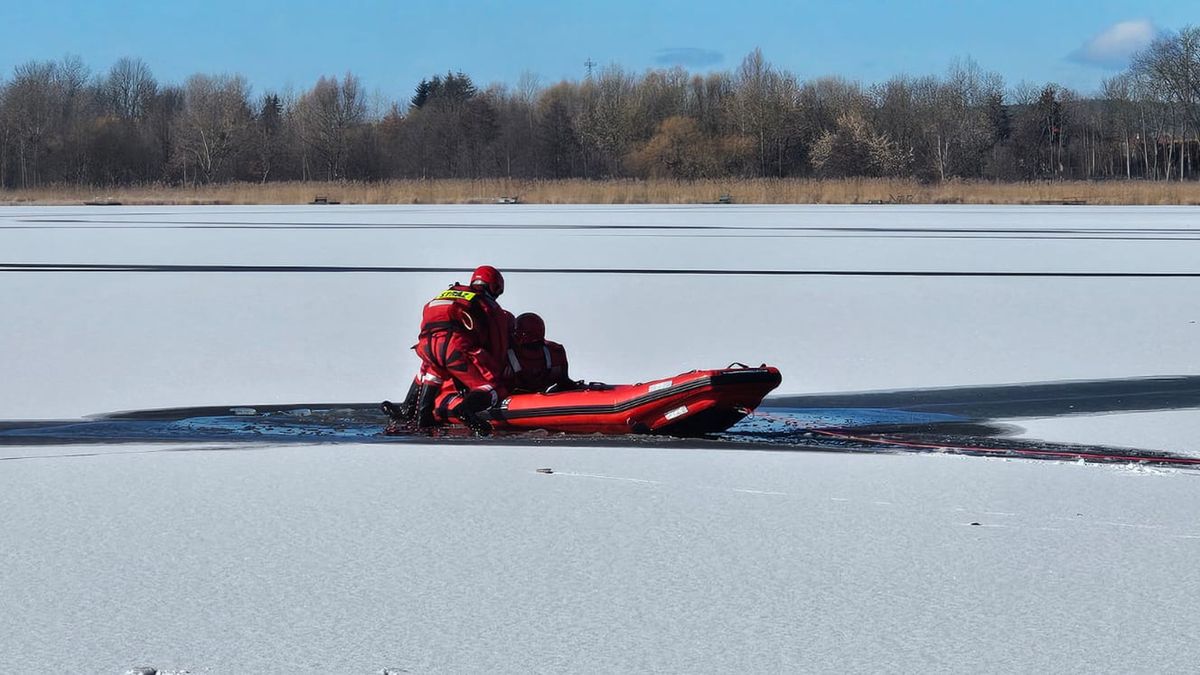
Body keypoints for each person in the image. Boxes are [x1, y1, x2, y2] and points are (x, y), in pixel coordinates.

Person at [386, 265, 509, 434]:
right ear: (495, 288)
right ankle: (465, 410)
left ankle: (417, 415)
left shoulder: (447, 294)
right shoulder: (488, 305)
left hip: (426, 345)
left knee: (432, 372)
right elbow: (498, 345)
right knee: (492, 387)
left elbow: (430, 321)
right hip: (455, 348)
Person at [504, 312, 575, 394]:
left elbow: (565, 382)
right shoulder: (503, 356)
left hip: (550, 401)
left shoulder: (556, 352)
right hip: (512, 402)